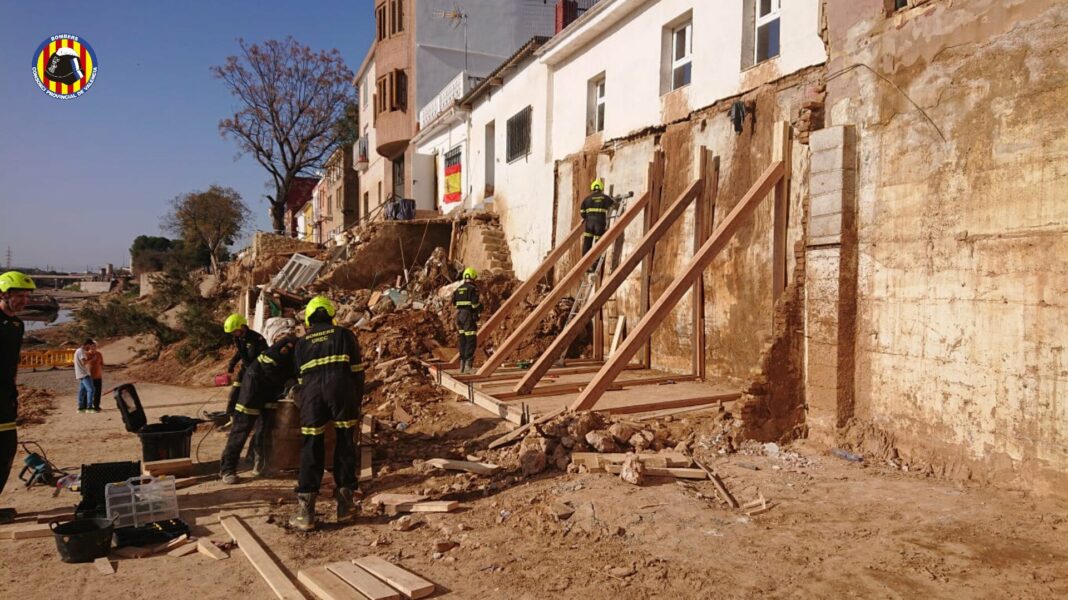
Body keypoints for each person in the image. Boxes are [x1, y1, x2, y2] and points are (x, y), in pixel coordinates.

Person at [290, 296, 364, 531]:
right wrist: (356, 401)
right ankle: (345, 507)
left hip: (311, 395)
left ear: (309, 319)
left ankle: (306, 513)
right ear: (331, 315)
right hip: (341, 390)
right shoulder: (344, 335)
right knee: (345, 442)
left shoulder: (301, 344)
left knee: (312, 445)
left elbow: (300, 381)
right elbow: (357, 372)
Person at [219, 334, 298, 484]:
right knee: (241, 430)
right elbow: (268, 367)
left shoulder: (300, 352)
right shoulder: (289, 344)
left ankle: (262, 466)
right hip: (253, 389)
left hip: (270, 391)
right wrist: (288, 382)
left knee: (266, 430)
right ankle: (228, 469)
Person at [0, 271, 36, 524]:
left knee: (6, 449)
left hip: (6, 396)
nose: (24, 300)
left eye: (26, 296)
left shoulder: (17, 324)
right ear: (3, 294)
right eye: (18, 295)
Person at [222, 314, 267, 419]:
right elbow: (240, 352)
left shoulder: (256, 338)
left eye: (234, 331)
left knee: (248, 395)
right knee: (234, 392)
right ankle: (231, 416)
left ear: (241, 327)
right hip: (245, 368)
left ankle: (248, 419)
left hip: (256, 371)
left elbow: (260, 356)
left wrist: (253, 370)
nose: (233, 334)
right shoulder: (239, 338)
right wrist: (232, 364)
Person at [452, 268, 481, 374]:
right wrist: (479, 308)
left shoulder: (458, 289)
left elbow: (454, 303)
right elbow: (474, 304)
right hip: (468, 316)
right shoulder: (473, 289)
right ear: (473, 277)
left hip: (459, 316)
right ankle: (468, 366)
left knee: (462, 339)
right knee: (470, 340)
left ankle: (462, 366)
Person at [580, 178, 616, 257]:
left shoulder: (587, 199)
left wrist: (587, 217)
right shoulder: (604, 197)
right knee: (598, 243)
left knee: (587, 243)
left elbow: (582, 212)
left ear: (593, 188)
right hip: (599, 223)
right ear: (601, 188)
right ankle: (595, 264)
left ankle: (585, 264)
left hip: (589, 223)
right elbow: (613, 204)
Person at [73, 339, 96, 413]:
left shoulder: (78, 351)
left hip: (81, 373)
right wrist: (92, 359)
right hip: (83, 373)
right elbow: (84, 362)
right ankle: (89, 407)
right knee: (91, 390)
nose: (90, 348)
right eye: (90, 346)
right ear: (87, 344)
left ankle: (81, 408)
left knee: (82, 391)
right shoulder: (81, 351)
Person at [87, 342, 104, 412]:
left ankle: (97, 406)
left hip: (98, 376)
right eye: (92, 346)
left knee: (98, 392)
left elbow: (102, 363)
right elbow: (83, 363)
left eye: (94, 346)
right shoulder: (86, 354)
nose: (93, 347)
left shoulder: (99, 354)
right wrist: (91, 360)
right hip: (89, 376)